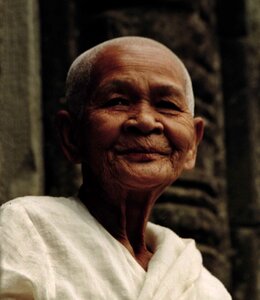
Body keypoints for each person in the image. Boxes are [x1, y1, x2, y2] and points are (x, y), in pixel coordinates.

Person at [0, 36, 232, 299]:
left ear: (192, 144)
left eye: (167, 105)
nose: (145, 121)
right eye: (118, 101)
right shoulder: (27, 229)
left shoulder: (204, 286)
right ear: (72, 136)